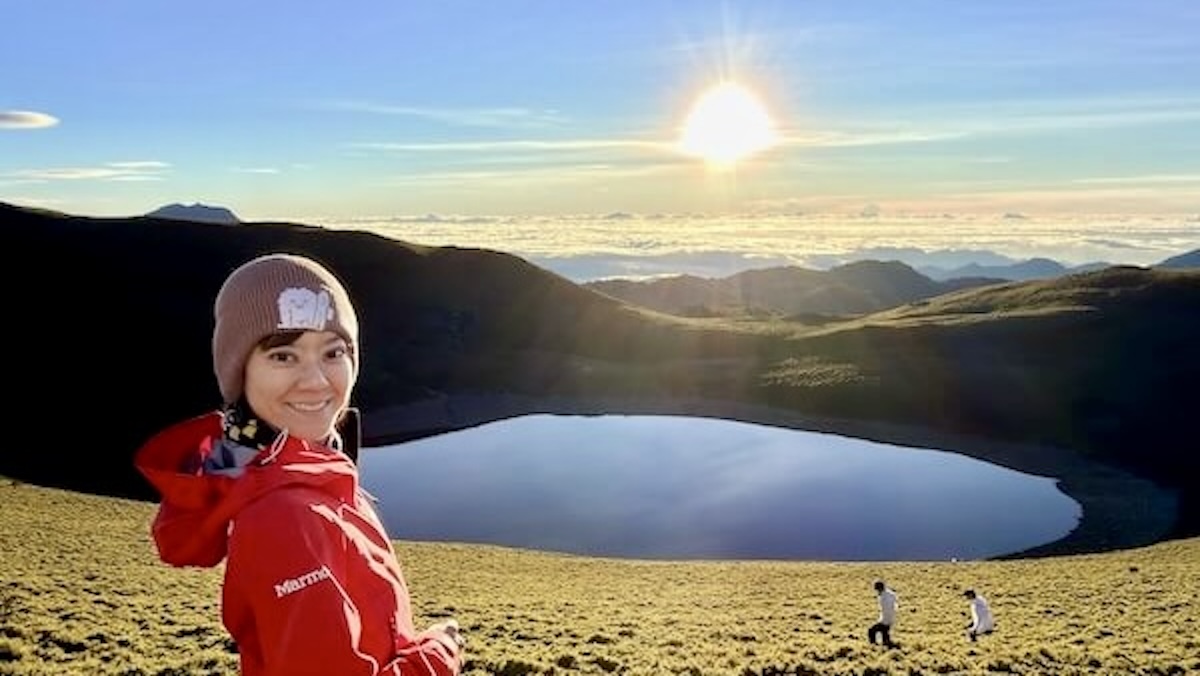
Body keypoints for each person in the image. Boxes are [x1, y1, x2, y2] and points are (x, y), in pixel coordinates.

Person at [135, 253, 463, 675]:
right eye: (283, 356)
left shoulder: (299, 471)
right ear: (240, 373)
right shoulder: (285, 516)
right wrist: (439, 653)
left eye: (333, 352)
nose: (315, 381)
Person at [867, 579, 898, 647]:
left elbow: (886, 610)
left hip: (886, 619)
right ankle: (889, 646)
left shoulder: (884, 597)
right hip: (891, 618)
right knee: (885, 634)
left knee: (871, 631)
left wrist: (883, 621)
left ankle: (873, 646)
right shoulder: (890, 594)